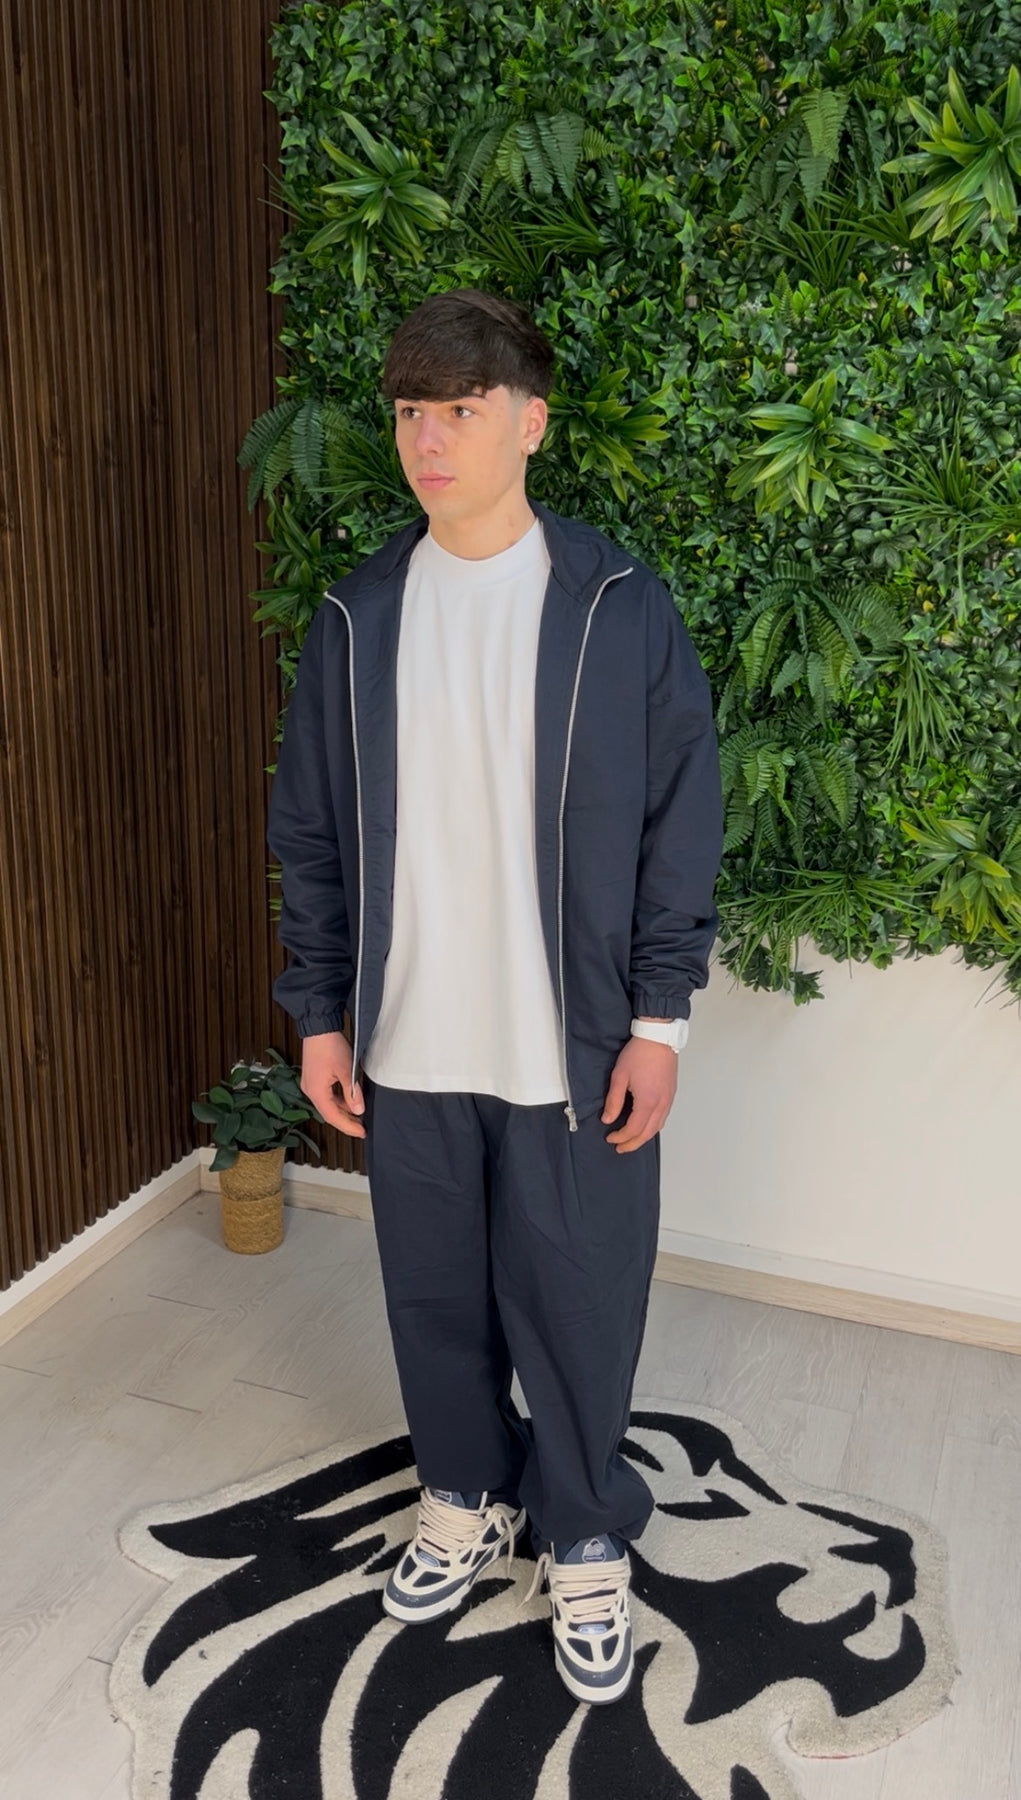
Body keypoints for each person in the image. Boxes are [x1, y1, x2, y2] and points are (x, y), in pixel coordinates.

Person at [265, 286, 724, 1706]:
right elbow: (311, 834)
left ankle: (583, 1534)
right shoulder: (357, 616)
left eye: (459, 410)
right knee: (434, 1301)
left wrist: (658, 1021)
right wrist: (320, 1013)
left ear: (528, 422)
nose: (429, 439)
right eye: (411, 410)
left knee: (579, 1303)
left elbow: (680, 820)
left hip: (568, 1048)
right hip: (410, 1042)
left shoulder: (615, 606)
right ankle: (460, 1493)